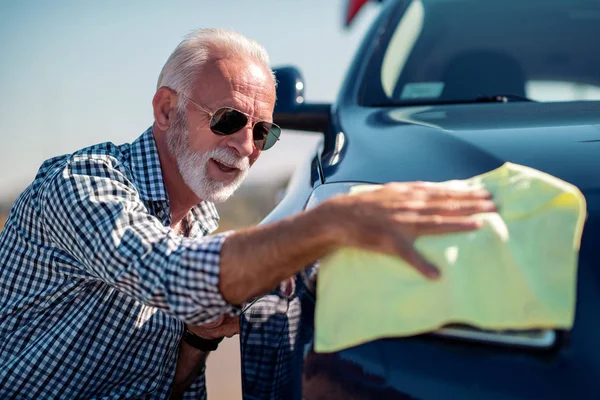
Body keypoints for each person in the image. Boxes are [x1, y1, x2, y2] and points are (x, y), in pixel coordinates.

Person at [0, 28, 496, 399]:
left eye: (262, 132)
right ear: (167, 110)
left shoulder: (200, 222)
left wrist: (197, 337)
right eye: (230, 119)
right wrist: (331, 223)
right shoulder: (82, 186)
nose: (245, 146)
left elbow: (159, 387)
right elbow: (169, 272)